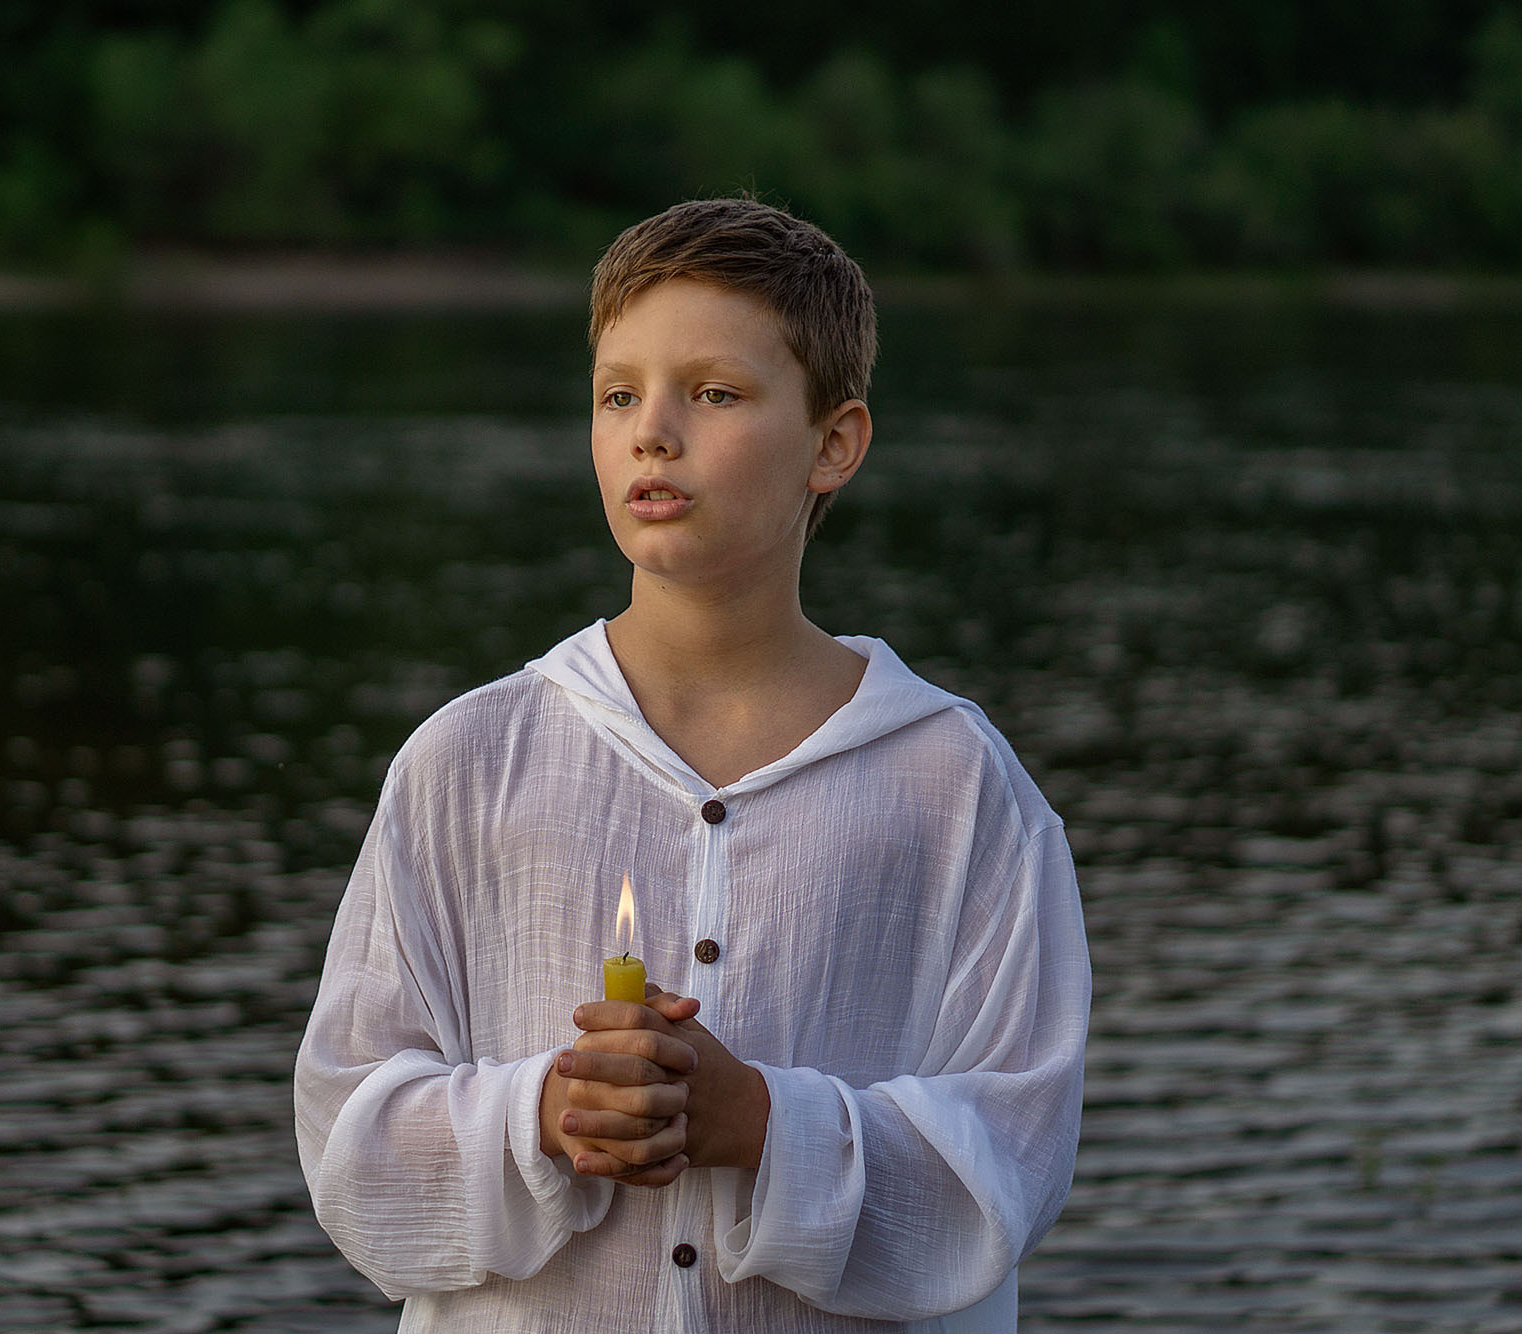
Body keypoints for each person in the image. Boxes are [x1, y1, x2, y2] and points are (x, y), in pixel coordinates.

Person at [294, 198, 1090, 1332]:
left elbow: (1010, 1161)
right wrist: (544, 1111)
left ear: (833, 443)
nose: (649, 432)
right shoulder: (470, 759)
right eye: (618, 393)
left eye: (712, 393)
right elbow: (345, 1133)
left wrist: (763, 1121)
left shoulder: (956, 786)